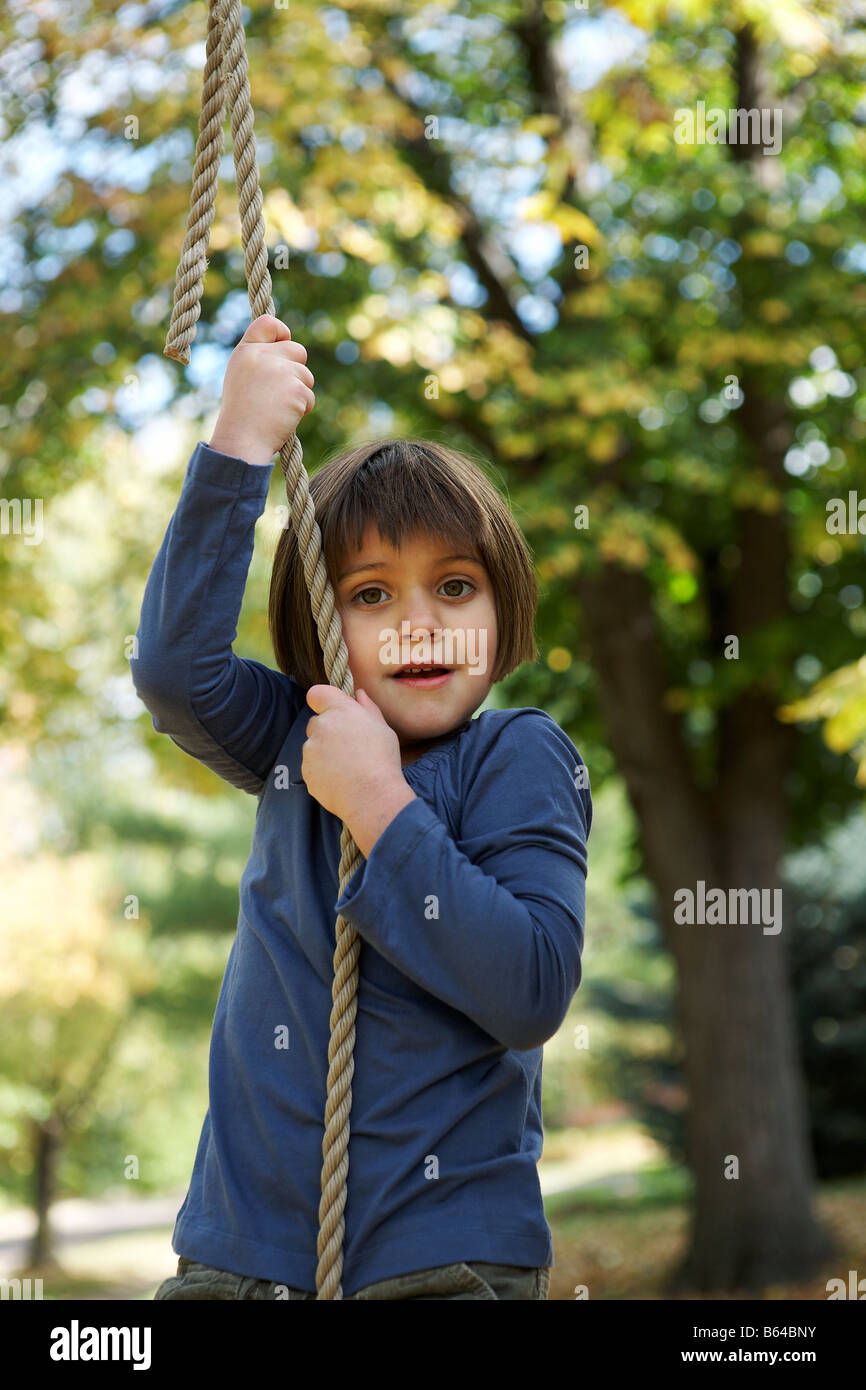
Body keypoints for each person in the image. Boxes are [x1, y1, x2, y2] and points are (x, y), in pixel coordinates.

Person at [131, 313, 592, 1300]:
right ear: (320, 622)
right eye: (371, 595)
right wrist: (237, 446)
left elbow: (529, 989)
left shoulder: (516, 753)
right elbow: (174, 674)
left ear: (503, 606)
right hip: (240, 1257)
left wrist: (380, 803)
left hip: (441, 1262)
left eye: (455, 586)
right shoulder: (295, 735)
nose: (418, 623)